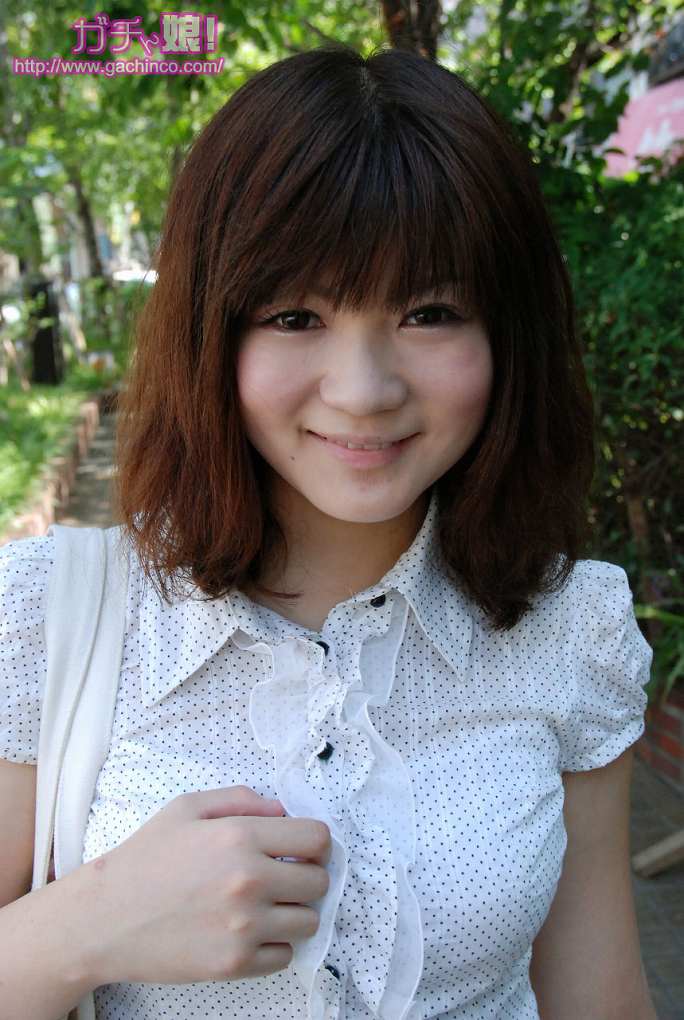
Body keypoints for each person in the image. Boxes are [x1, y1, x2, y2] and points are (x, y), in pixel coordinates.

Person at [0, 42, 657, 1020]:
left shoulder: (570, 627)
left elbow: (600, 998)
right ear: (211, 331)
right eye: (295, 316)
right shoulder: (49, 618)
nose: (364, 391)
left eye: (429, 311)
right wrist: (88, 924)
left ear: (506, 334)